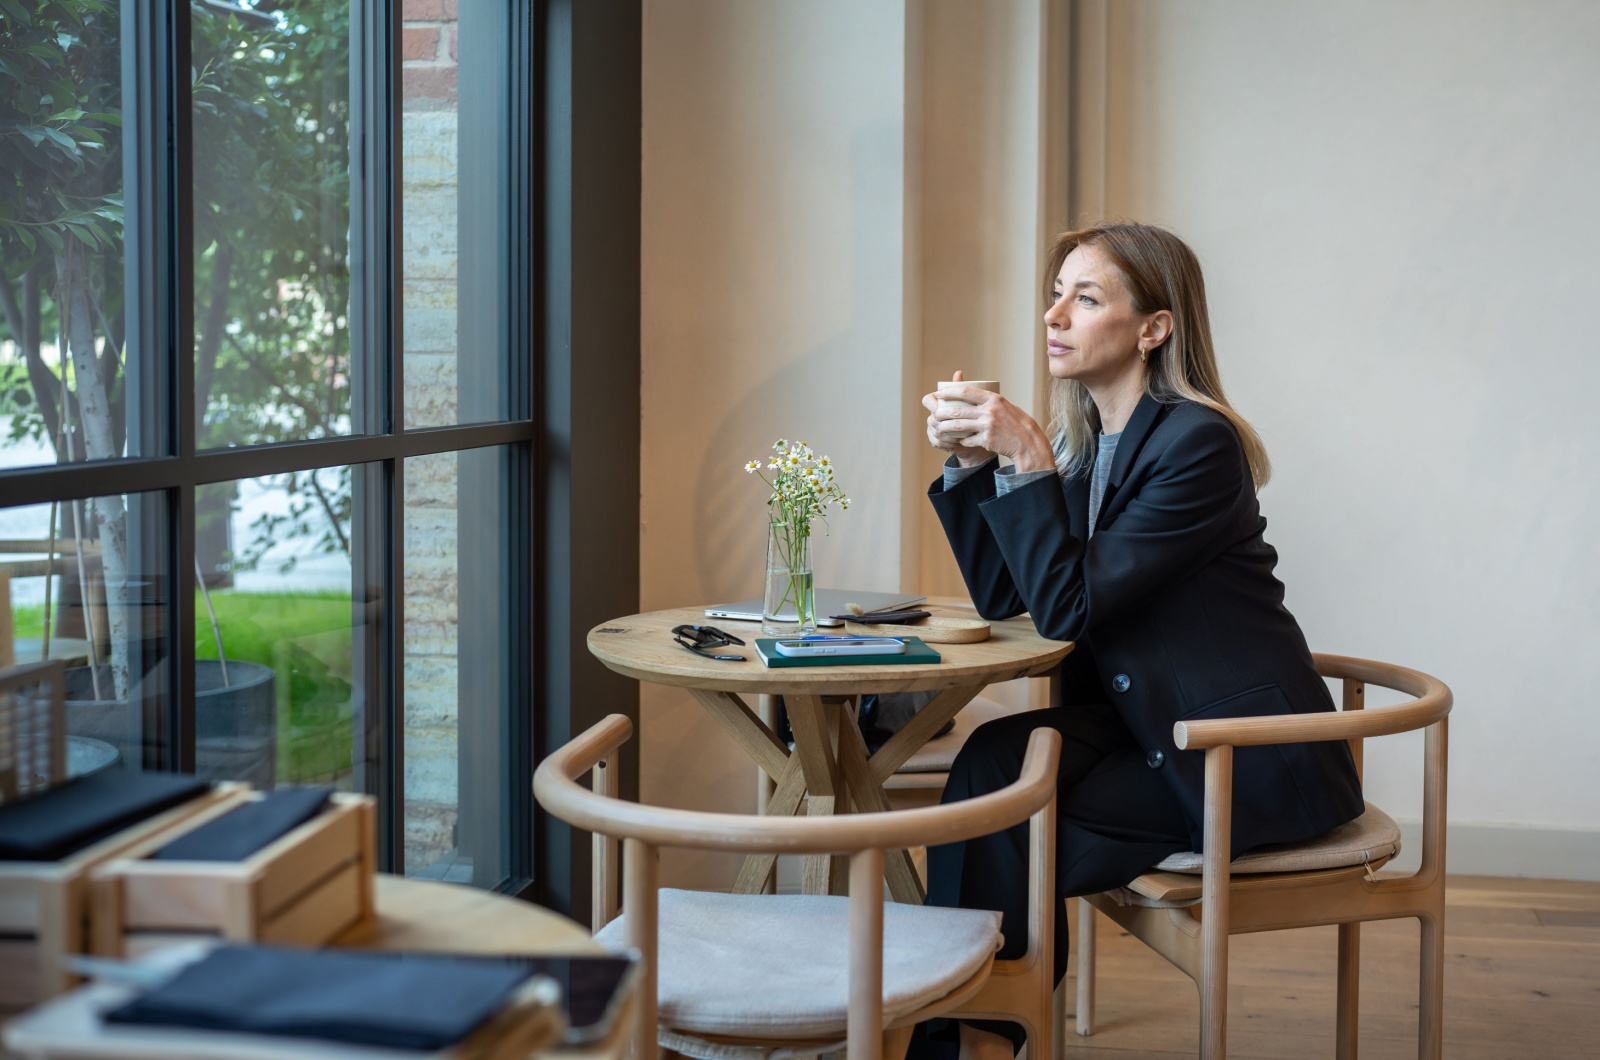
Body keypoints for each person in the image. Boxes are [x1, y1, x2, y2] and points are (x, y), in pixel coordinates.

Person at [913, 222, 1363, 1060]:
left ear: (1155, 327)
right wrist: (979, 467)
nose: (1055, 313)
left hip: (1238, 753)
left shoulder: (1196, 442)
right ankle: (981, 1033)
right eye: (1055, 293)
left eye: (1085, 297)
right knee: (989, 769)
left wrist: (1029, 456)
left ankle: (974, 1040)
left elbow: (1066, 608)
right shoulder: (1094, 452)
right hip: (1149, 725)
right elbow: (1012, 595)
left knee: (1005, 832)